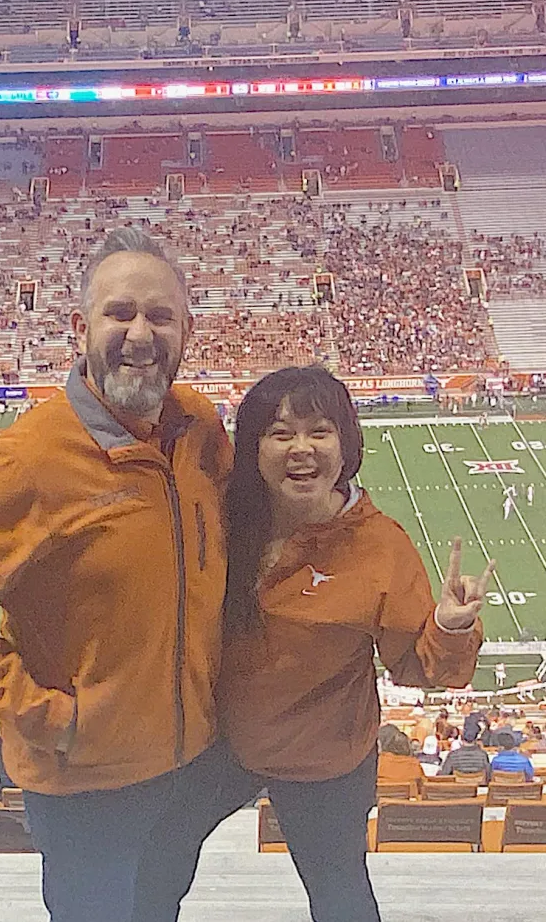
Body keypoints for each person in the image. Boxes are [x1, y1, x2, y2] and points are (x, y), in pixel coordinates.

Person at [0, 227, 232, 922]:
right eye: (120, 313)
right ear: (81, 327)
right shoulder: (26, 459)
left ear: (186, 332)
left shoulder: (199, 427)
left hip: (185, 763)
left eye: (160, 315)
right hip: (84, 783)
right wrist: (44, 713)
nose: (140, 334)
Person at [142, 366, 486, 922]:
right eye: (280, 434)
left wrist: (448, 627)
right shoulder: (225, 515)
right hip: (221, 736)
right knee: (154, 861)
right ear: (252, 448)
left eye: (319, 431)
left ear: (345, 444)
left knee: (339, 892)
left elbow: (418, 668)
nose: (300, 448)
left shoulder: (380, 547)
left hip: (324, 758)